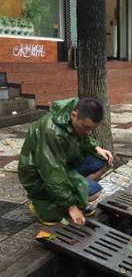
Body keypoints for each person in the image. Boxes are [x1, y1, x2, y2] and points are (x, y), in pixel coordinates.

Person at [18, 97, 113, 226]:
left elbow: (84, 138)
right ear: (74, 115)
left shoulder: (74, 118)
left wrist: (96, 147)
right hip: (38, 175)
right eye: (85, 127)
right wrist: (71, 206)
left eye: (91, 128)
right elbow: (52, 173)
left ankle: (73, 195)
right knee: (93, 193)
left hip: (63, 164)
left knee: (102, 159)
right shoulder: (51, 132)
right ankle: (46, 204)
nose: (87, 131)